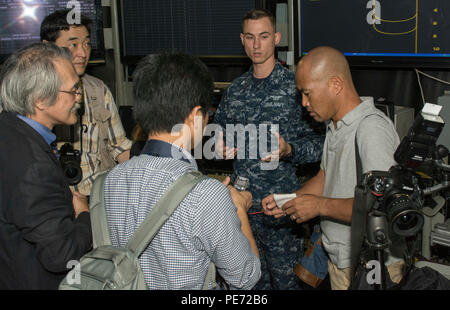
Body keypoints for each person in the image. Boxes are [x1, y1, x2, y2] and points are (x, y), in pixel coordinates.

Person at [103, 52, 261, 290]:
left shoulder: (112, 179)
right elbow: (246, 278)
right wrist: (237, 208)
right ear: (195, 117)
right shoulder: (206, 195)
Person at [262, 46, 405, 290]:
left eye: (307, 93)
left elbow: (381, 205)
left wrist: (318, 206)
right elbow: (325, 177)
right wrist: (290, 200)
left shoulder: (371, 130)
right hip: (341, 263)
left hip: (372, 266)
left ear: (336, 84)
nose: (304, 103)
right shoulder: (335, 126)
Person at [213, 9, 324, 290]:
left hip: (282, 212)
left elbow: (322, 146)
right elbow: (217, 134)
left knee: (288, 285)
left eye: (263, 37)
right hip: (242, 209)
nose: (256, 45)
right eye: (250, 37)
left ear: (276, 38)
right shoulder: (235, 91)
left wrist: (289, 150)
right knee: (249, 285)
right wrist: (219, 144)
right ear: (242, 40)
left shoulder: (295, 88)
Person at [0, 43, 92, 289]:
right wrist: (83, 214)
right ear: (40, 100)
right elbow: (61, 255)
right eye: (72, 91)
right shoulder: (33, 166)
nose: (78, 98)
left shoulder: (7, 128)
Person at [40, 9, 132, 197]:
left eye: (87, 44)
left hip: (96, 199)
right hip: (51, 202)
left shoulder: (98, 91)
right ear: (47, 48)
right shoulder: (29, 96)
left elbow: (120, 147)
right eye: (73, 45)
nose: (82, 52)